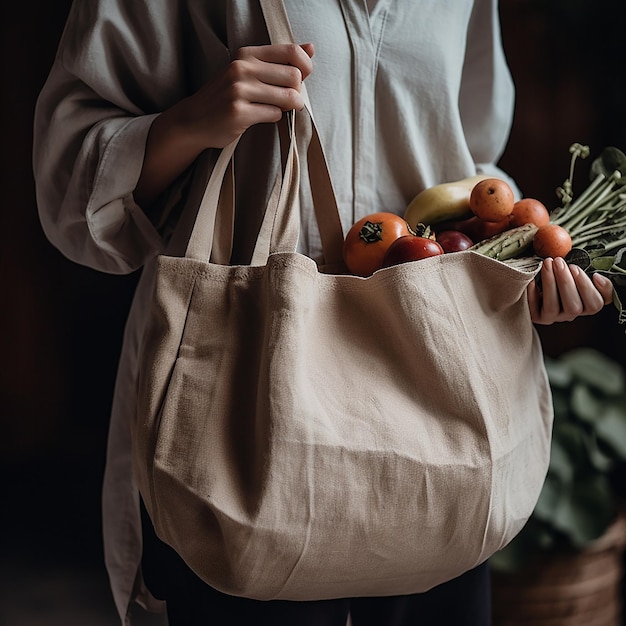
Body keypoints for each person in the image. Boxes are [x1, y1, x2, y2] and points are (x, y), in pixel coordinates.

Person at [33, 1, 614, 625]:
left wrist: (515, 274)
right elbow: (71, 186)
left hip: (436, 394)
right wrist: (191, 122)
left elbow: (469, 162)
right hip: (247, 410)